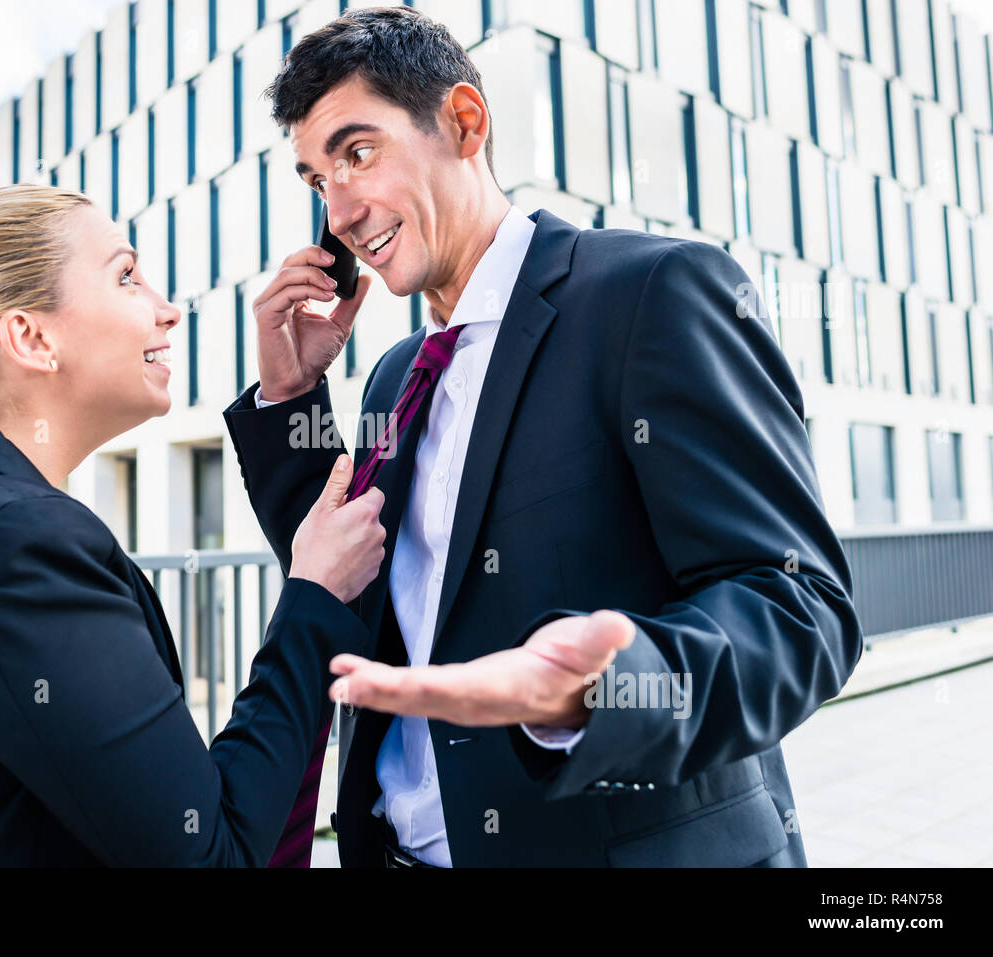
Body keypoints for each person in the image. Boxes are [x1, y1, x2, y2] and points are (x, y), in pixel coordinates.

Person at [223, 6, 863, 867]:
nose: (338, 210)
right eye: (315, 179)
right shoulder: (395, 375)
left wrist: (606, 687)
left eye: (357, 153)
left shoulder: (651, 297)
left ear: (464, 122)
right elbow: (346, 577)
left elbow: (800, 608)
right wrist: (291, 393)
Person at [0, 184, 387, 866]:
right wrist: (313, 599)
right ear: (31, 336)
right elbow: (212, 855)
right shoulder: (12, 544)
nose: (168, 311)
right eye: (127, 276)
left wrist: (289, 402)